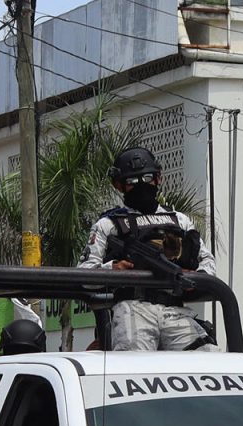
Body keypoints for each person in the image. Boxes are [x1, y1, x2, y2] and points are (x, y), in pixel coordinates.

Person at [79, 146, 218, 352]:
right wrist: (113, 269)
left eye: (147, 178)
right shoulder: (108, 224)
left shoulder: (179, 220)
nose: (142, 185)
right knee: (134, 365)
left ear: (158, 178)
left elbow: (208, 263)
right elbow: (83, 274)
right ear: (119, 185)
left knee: (209, 359)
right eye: (132, 182)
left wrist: (195, 278)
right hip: (132, 309)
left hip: (174, 308)